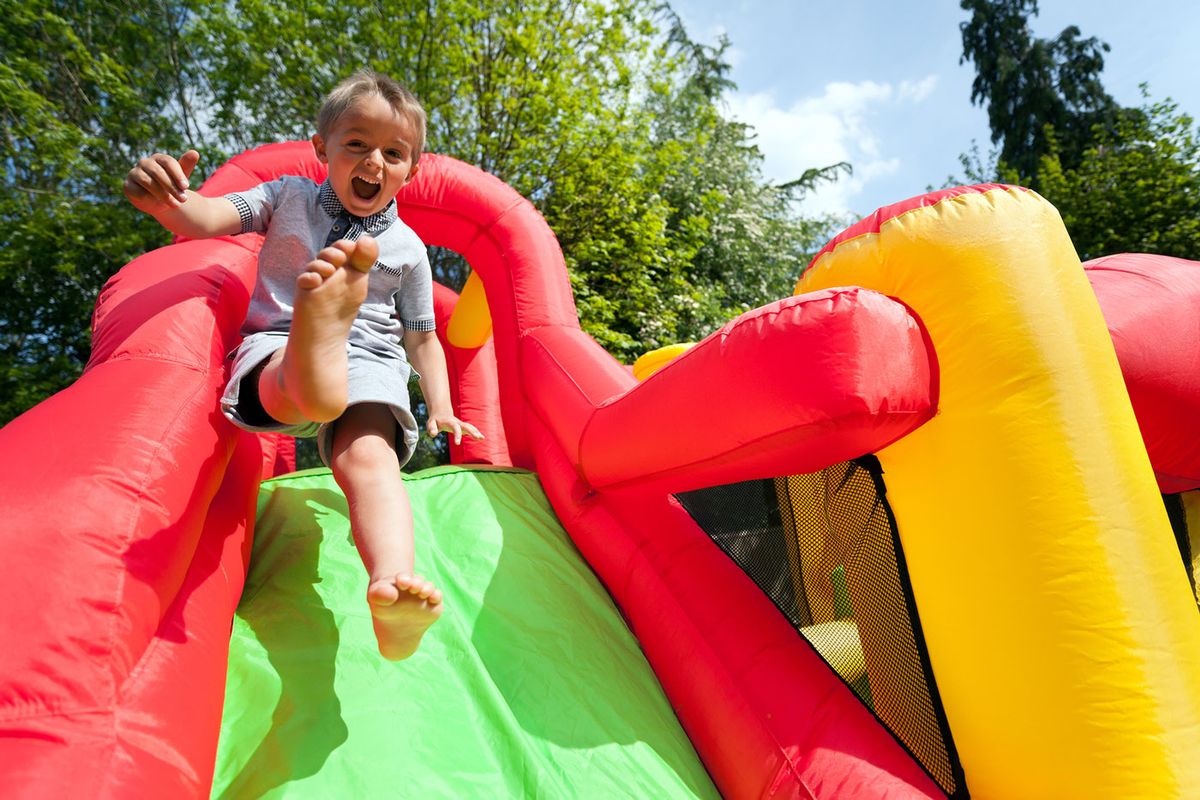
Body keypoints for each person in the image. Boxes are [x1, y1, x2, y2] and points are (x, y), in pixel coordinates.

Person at [124, 69, 482, 660]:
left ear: (411, 170)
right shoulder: (282, 195)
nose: (374, 161)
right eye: (357, 143)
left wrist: (441, 406)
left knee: (368, 457)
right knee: (313, 400)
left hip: (367, 355)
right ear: (322, 148)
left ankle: (390, 584)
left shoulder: (409, 250)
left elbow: (422, 339)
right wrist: (169, 200)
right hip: (280, 337)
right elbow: (206, 218)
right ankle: (313, 350)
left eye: (393, 153)